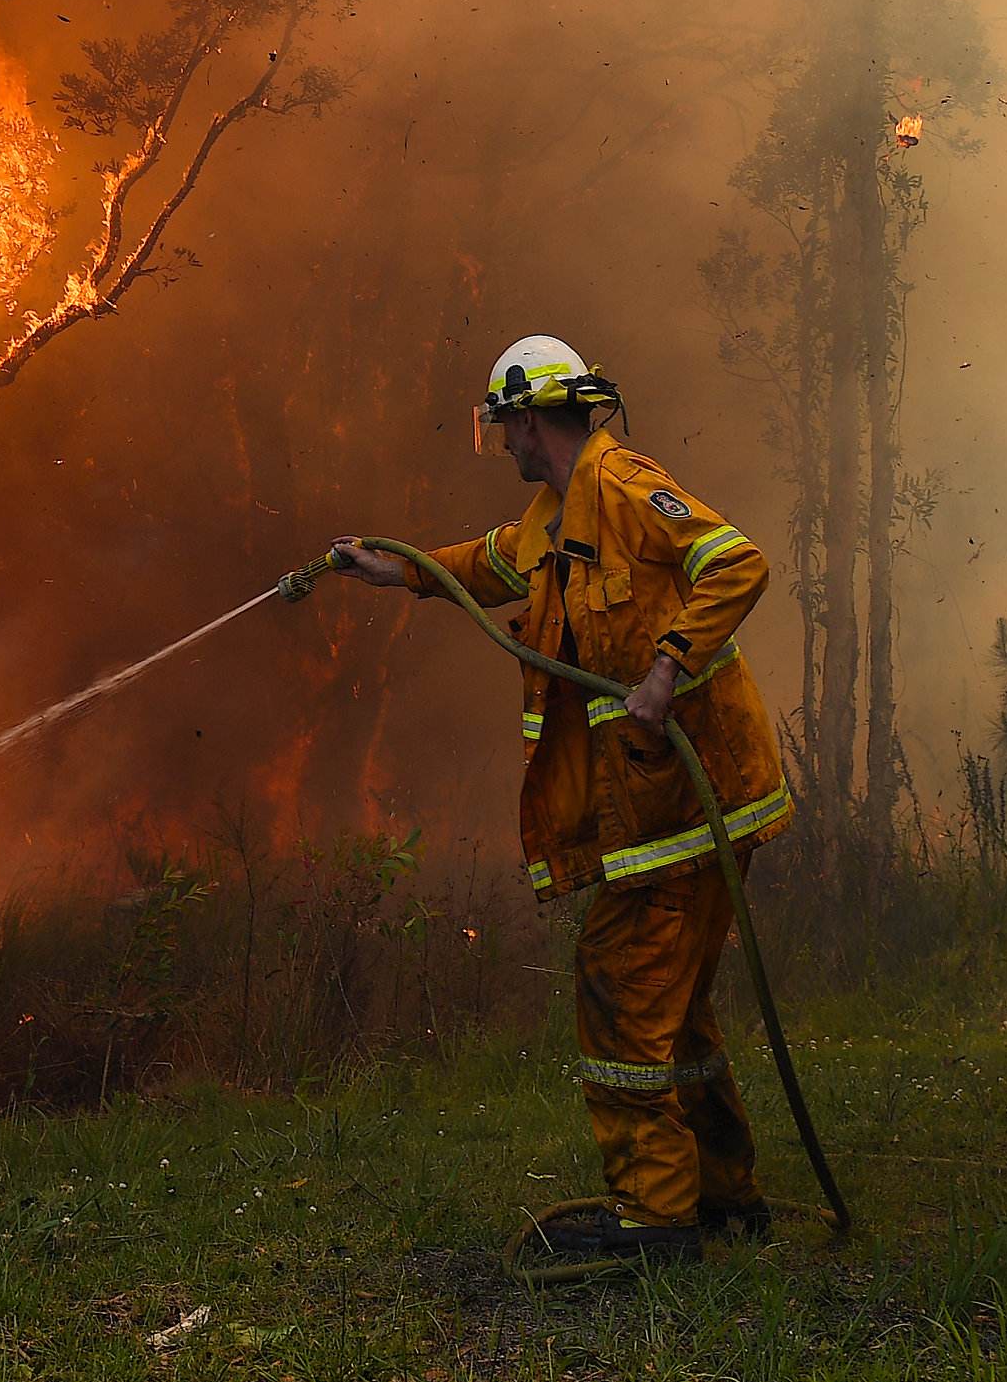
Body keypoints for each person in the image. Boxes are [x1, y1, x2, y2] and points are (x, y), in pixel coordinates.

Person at [328, 335, 792, 1261]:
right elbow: (494, 564)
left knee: (618, 985)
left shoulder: (622, 486)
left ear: (532, 419)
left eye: (503, 427)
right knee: (675, 1004)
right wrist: (402, 569)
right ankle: (721, 1193)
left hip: (691, 805)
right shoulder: (553, 516)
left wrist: (666, 669)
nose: (501, 444)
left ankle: (657, 1218)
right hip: (667, 812)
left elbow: (736, 561)